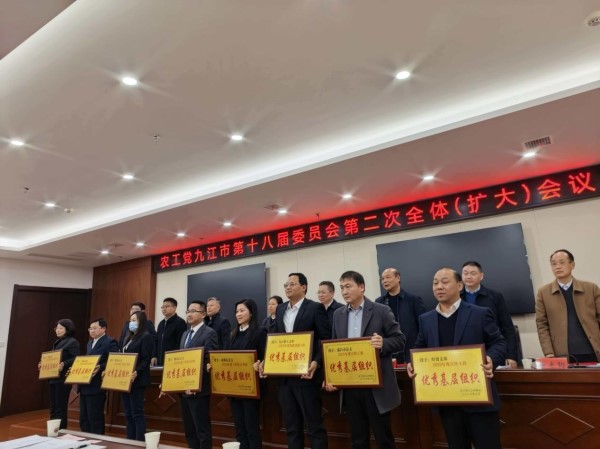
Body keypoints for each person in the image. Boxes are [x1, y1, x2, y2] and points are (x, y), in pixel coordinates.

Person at [408, 268, 506, 449]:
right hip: (448, 401)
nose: (439, 287)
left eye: (445, 282)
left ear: (460, 286)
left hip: (478, 398)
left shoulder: (480, 313)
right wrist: (412, 364)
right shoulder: (426, 319)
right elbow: (419, 348)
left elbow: (499, 343)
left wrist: (491, 359)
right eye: (435, 283)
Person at [325, 271, 405, 449]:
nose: (344, 291)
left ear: (361, 287)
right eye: (341, 288)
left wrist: (383, 343)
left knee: (383, 438)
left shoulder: (381, 310)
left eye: (348, 286)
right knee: (358, 439)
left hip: (375, 386)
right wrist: (330, 377)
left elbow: (400, 339)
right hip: (350, 386)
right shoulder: (338, 314)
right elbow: (334, 349)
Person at [260, 272, 331, 449]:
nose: (288, 287)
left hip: (306, 377)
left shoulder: (315, 308)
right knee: (291, 427)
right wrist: (266, 360)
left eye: (292, 284)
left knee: (314, 426)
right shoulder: (281, 309)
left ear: (303, 287)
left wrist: (316, 362)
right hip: (284, 378)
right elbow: (275, 339)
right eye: (286, 285)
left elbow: (326, 339)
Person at [535, 249, 600, 362]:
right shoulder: (543, 293)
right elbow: (542, 325)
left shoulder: (591, 288)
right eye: (554, 264)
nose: (557, 267)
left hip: (592, 350)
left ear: (572, 265)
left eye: (562, 262)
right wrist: (548, 352)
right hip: (561, 353)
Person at [460, 261, 519, 367]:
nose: (469, 276)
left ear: (481, 276)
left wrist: (511, 355)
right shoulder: (456, 297)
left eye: (473, 273)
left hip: (492, 350)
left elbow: (507, 327)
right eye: (465, 273)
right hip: (464, 352)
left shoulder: (495, 296)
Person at [178, 301, 218, 449]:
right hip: (183, 389)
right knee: (189, 430)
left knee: (202, 429)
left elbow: (209, 361)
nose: (189, 314)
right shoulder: (184, 334)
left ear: (203, 314)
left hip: (198, 390)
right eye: (188, 311)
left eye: (193, 311)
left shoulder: (209, 333)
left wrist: (194, 383)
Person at [229, 299, 267, 449]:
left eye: (242, 310)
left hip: (251, 388)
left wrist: (261, 363)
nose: (238, 314)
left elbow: (265, 356)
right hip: (234, 388)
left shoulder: (260, 331)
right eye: (236, 311)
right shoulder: (233, 334)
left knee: (251, 428)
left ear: (251, 313)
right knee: (239, 428)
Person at [375, 268, 426, 363]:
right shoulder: (379, 302)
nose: (384, 281)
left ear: (398, 278)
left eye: (388, 277)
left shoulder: (413, 300)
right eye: (382, 279)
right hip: (388, 353)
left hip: (411, 351)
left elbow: (423, 327)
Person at [78, 318, 118, 434]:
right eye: (90, 328)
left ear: (103, 329)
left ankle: (97, 440)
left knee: (94, 417)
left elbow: (114, 361)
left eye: (94, 328)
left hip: (97, 385)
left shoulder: (110, 342)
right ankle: (85, 438)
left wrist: (100, 367)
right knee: (84, 417)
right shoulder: (89, 343)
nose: (92, 331)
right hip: (85, 384)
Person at [120, 311, 154, 441]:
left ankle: (139, 442)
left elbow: (146, 359)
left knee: (137, 413)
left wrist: (137, 372)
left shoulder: (146, 336)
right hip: (125, 380)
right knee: (128, 413)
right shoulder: (129, 337)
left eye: (134, 320)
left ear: (141, 322)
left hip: (137, 380)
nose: (131, 323)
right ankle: (130, 440)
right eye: (130, 320)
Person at [43, 318, 80, 430]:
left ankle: (60, 431)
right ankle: (52, 431)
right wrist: (44, 364)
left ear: (67, 329)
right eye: (56, 328)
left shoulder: (72, 342)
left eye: (60, 328)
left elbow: (76, 358)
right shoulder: (57, 342)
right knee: (53, 406)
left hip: (63, 378)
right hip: (53, 377)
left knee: (60, 407)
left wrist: (64, 363)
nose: (57, 330)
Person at [151, 297, 188, 366]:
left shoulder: (180, 322)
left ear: (174, 308)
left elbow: (180, 343)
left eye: (167, 306)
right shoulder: (161, 324)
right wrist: (154, 355)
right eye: (162, 307)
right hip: (159, 361)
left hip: (173, 361)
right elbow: (156, 341)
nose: (164, 309)